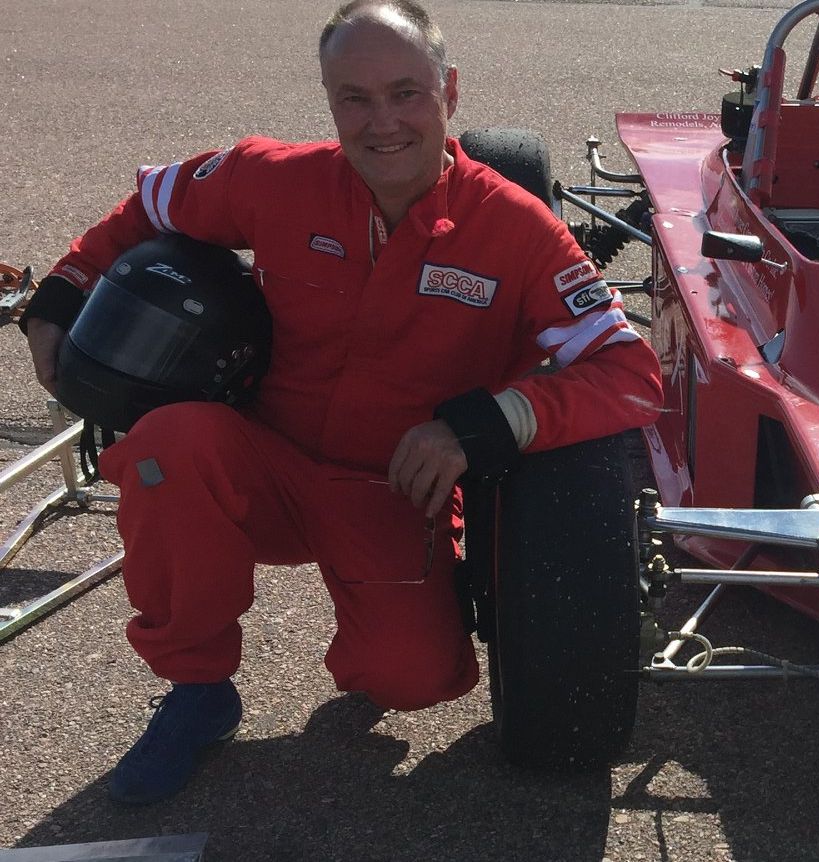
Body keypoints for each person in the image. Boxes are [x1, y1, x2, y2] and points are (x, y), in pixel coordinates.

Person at [17, 0, 661, 805]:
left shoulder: (519, 231)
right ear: (328, 100)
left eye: (406, 93)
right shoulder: (272, 178)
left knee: (411, 678)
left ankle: (384, 628)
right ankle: (197, 692)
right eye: (354, 98)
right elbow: (148, 204)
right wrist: (59, 293)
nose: (381, 122)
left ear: (449, 90)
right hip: (259, 466)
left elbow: (629, 373)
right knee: (165, 446)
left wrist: (483, 425)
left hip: (393, 493)